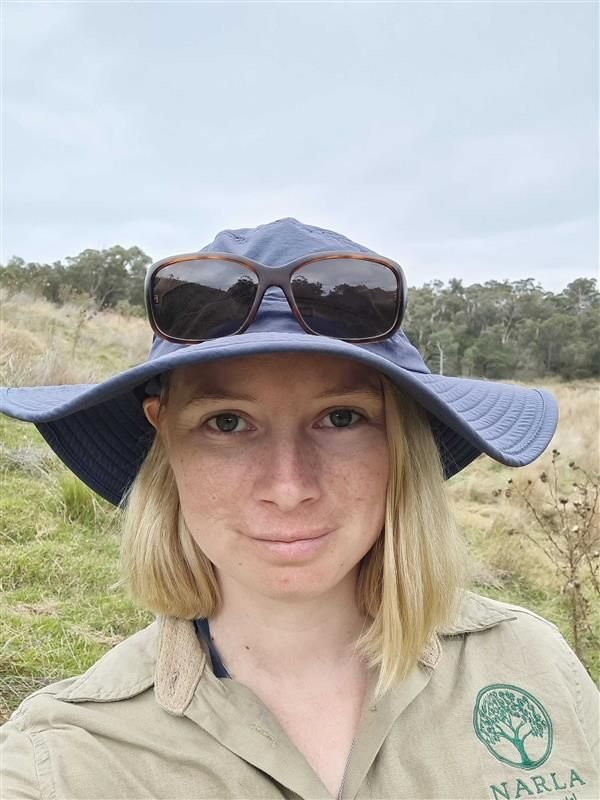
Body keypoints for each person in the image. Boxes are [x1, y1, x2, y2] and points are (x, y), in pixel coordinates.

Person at [0, 217, 597, 800]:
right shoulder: (64, 760)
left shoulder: (530, 663)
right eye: (227, 422)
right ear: (165, 438)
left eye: (341, 418)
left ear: (401, 442)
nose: (288, 487)